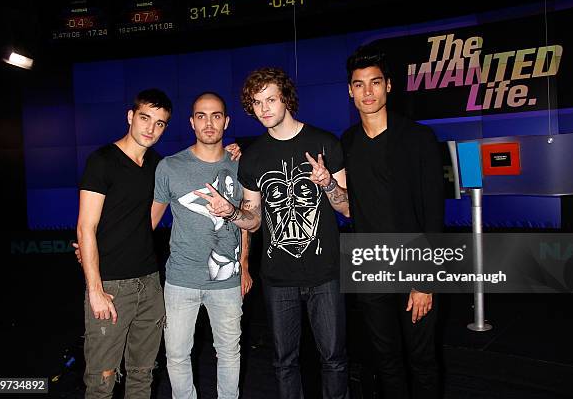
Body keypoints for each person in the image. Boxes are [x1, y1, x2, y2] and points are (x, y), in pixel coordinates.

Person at [194, 68, 350, 399]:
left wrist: (329, 184)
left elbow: (347, 208)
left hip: (326, 272)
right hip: (278, 278)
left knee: (334, 360)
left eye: (270, 99)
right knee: (283, 363)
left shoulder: (324, 142)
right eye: (256, 102)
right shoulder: (253, 158)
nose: (264, 108)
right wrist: (231, 211)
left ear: (286, 99)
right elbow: (254, 220)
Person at [342, 44, 444, 399]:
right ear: (350, 90)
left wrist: (425, 282)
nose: (367, 92)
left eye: (374, 83)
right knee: (385, 360)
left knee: (422, 358)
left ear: (388, 85)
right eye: (359, 84)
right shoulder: (348, 143)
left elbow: (434, 214)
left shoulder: (419, 139)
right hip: (370, 268)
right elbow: (347, 205)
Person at [151, 92, 252, 399]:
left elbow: (249, 220)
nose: (209, 123)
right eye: (202, 116)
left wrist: (245, 266)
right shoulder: (169, 167)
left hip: (228, 280)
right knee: (177, 355)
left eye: (216, 115)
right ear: (192, 122)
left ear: (226, 121)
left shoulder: (242, 166)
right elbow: (147, 223)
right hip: (181, 280)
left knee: (229, 353)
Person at [76, 88, 172, 399]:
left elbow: (149, 223)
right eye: (145, 118)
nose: (151, 128)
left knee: (142, 375)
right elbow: (85, 227)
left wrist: (231, 153)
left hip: (150, 284)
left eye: (159, 123)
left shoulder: (159, 165)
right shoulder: (102, 161)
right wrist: (95, 288)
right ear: (131, 116)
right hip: (111, 287)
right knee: (102, 380)